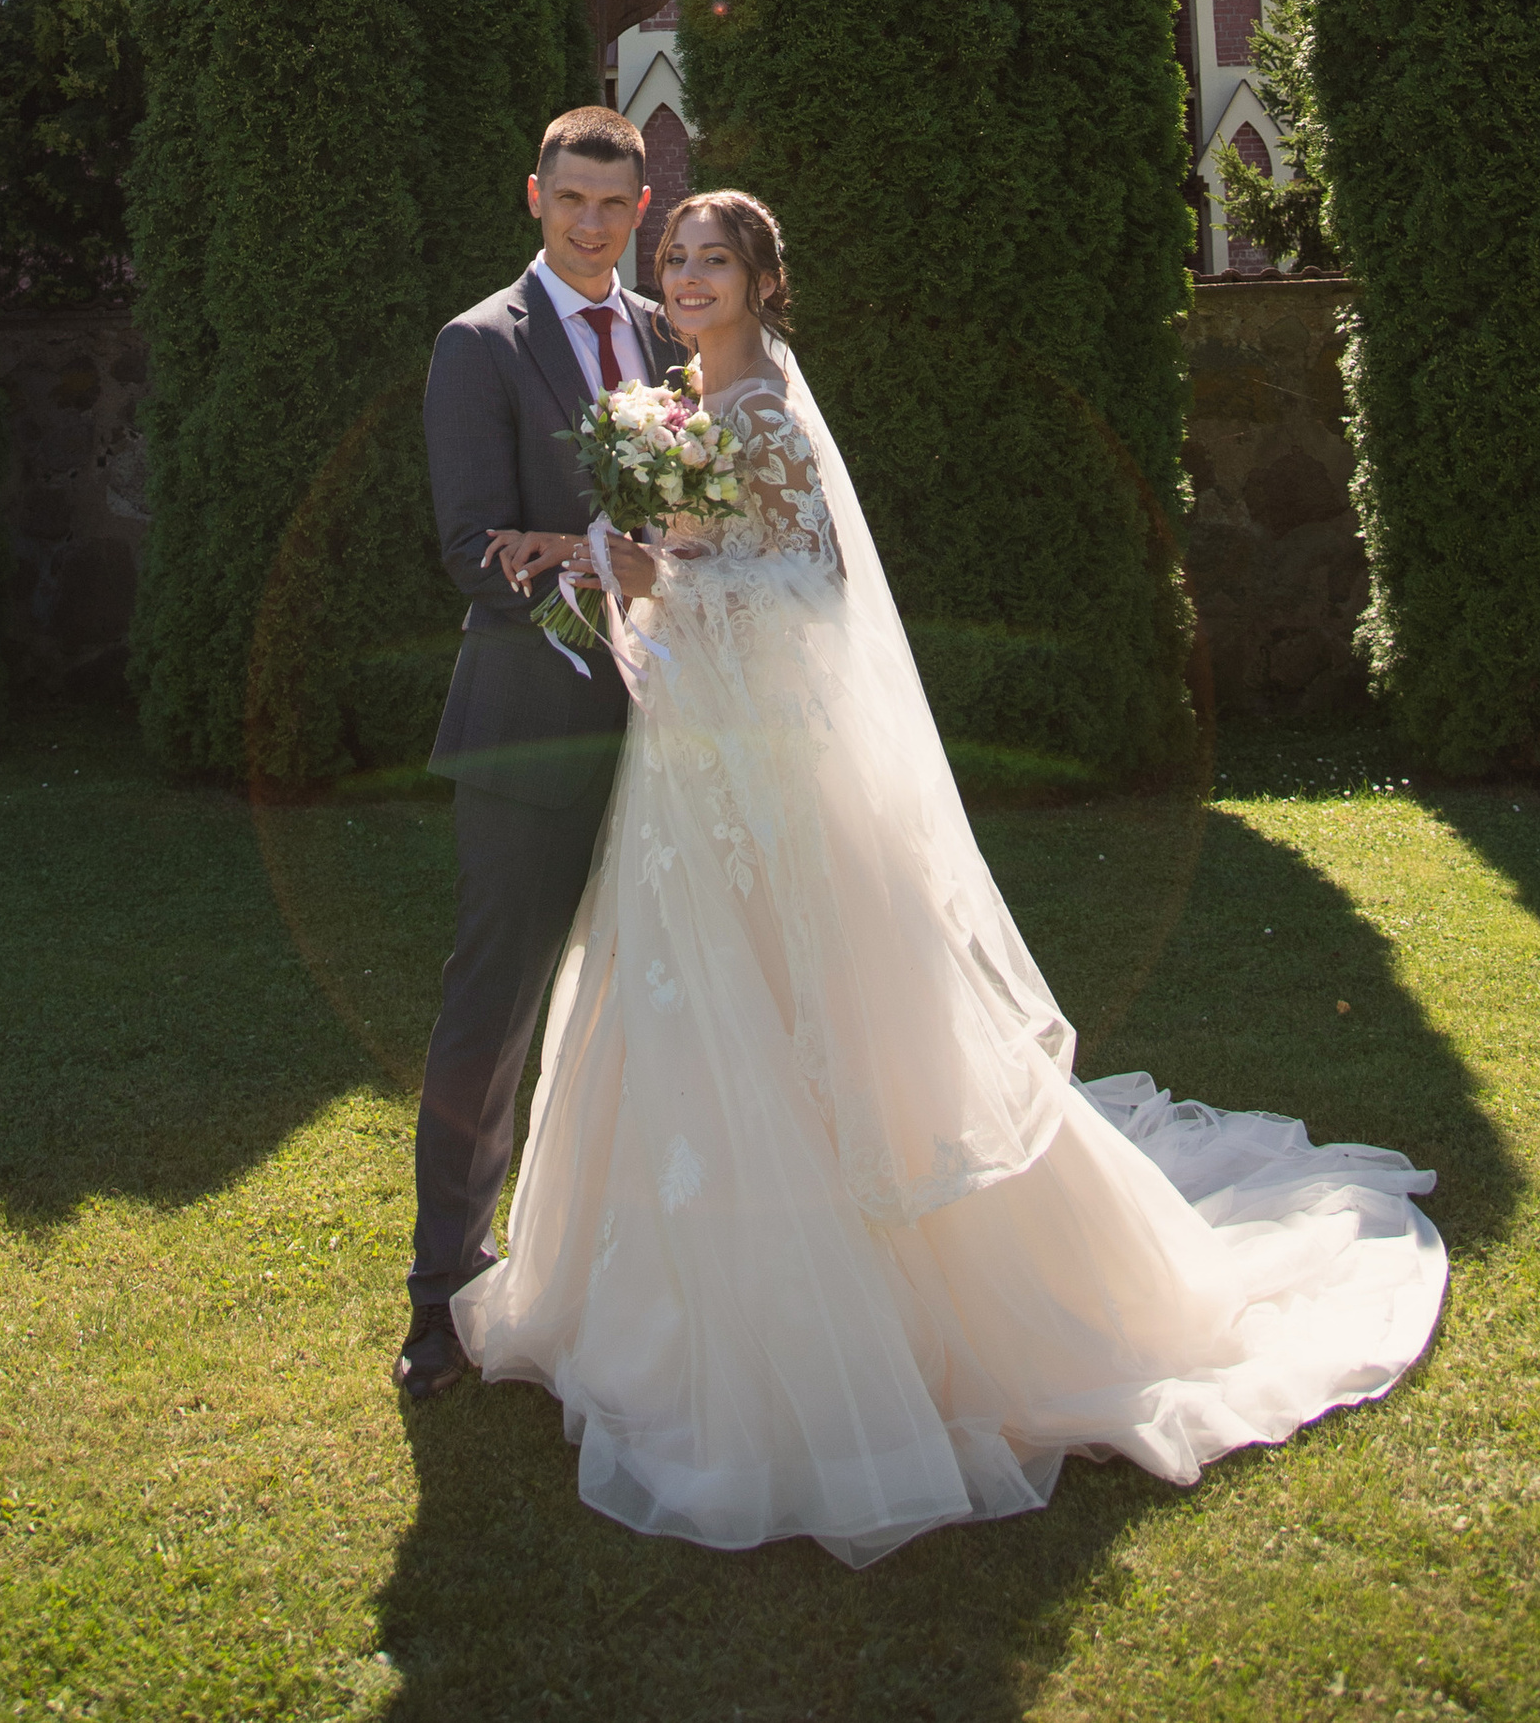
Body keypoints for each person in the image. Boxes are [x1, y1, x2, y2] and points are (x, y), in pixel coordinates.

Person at [453, 188, 1450, 1566]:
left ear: (761, 281)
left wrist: (644, 571)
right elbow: (677, 582)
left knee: (808, 1021)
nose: (684, 276)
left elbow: (803, 595)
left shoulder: (761, 416)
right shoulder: (673, 408)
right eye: (673, 255)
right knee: (684, 1005)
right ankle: (651, 1311)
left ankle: (870, 1324)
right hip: (690, 780)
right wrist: (620, 567)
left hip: (766, 777)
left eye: (711, 259)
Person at [395, 106, 669, 1404]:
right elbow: (470, 543)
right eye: (573, 199)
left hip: (671, 735)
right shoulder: (478, 345)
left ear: (644, 207)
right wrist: (599, 603)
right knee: (492, 1009)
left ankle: (638, 1270)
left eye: (615, 204)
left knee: (662, 998)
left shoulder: (673, 339)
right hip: (528, 723)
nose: (593, 222)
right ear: (535, 196)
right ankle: (441, 1292)